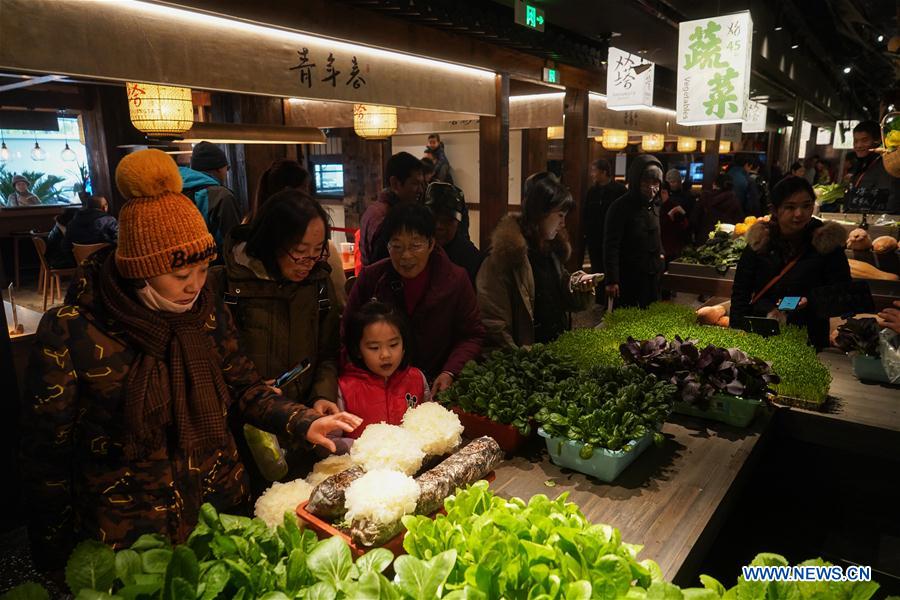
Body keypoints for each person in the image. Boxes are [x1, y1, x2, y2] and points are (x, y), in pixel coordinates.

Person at [21, 149, 360, 570]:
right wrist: (53, 555)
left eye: (202, 271)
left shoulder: (206, 311)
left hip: (217, 508)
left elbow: (244, 388)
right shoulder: (72, 330)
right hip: (128, 533)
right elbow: (47, 456)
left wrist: (304, 421)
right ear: (139, 269)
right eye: (181, 276)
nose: (195, 287)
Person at [345, 204, 484, 394]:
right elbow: (347, 332)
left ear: (431, 244)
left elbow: (471, 335)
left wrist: (451, 371)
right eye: (397, 246)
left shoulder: (455, 280)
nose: (406, 255)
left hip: (436, 386)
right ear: (388, 246)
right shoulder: (372, 278)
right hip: (378, 385)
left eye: (415, 245)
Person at [477, 172, 598, 349]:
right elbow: (493, 322)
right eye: (560, 215)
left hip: (553, 351)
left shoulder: (550, 249)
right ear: (541, 213)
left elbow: (557, 293)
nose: (563, 224)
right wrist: (522, 361)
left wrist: (576, 285)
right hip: (526, 362)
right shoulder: (505, 257)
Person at [730, 176, 850, 348]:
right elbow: (741, 290)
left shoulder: (826, 243)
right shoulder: (760, 241)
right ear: (775, 209)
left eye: (806, 206)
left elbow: (843, 292)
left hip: (809, 335)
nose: (799, 213)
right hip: (761, 330)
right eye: (790, 207)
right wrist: (737, 329)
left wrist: (811, 301)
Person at [251, 158, 347, 307]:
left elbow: (335, 315)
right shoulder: (242, 277)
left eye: (318, 249)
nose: (309, 262)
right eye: (300, 250)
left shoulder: (320, 277)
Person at [337, 301, 430, 438]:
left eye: (393, 344)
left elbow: (430, 420)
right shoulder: (344, 389)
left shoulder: (417, 378)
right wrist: (360, 448)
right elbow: (331, 440)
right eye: (374, 347)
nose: (385, 355)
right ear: (357, 350)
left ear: (404, 344)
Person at [604, 155, 666, 308]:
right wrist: (612, 280)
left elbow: (657, 236)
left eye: (655, 182)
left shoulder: (655, 205)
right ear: (636, 180)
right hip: (628, 276)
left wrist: (661, 259)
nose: (651, 187)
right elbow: (611, 245)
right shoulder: (620, 207)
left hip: (651, 275)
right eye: (646, 181)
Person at [359, 151, 424, 267]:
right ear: (395, 183)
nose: (420, 190)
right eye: (415, 183)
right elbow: (384, 265)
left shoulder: (373, 209)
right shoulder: (386, 216)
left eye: (421, 184)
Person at [179, 141, 243, 258]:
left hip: (182, 264)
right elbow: (234, 246)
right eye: (226, 168)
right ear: (219, 169)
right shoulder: (222, 196)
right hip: (215, 268)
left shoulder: (176, 190)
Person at [424, 181, 481, 284]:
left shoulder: (470, 257)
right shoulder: (414, 249)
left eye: (447, 220)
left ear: (458, 223)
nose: (439, 226)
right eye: (433, 218)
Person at [844, 120, 899, 213]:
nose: (858, 145)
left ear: (878, 140)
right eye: (855, 141)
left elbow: (889, 201)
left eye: (864, 140)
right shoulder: (862, 164)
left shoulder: (888, 164)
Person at [582, 159, 626, 274]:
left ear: (604, 172)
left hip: (613, 237)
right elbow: (586, 213)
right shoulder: (592, 191)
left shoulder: (619, 190)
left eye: (594, 171)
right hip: (595, 238)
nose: (592, 174)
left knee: (612, 268)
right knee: (596, 269)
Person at [691, 173, 744, 244]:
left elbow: (694, 219)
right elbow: (739, 222)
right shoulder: (734, 200)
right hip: (725, 242)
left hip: (704, 239)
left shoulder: (705, 198)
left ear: (714, 184)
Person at [659, 181, 690, 264]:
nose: (661, 195)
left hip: (671, 248)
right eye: (659, 192)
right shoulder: (655, 206)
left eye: (663, 192)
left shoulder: (674, 206)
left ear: (668, 193)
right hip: (660, 246)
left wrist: (682, 213)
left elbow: (685, 226)